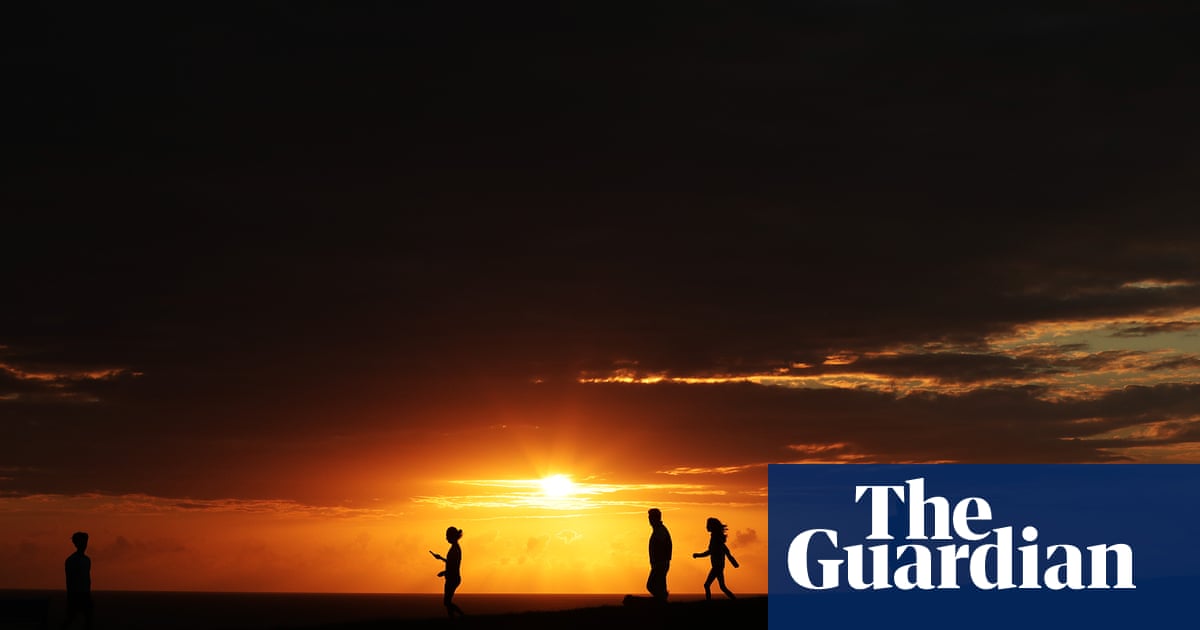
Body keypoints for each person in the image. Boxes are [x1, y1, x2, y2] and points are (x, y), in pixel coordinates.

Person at [692, 517, 739, 600]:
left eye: (707, 525)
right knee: (722, 587)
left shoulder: (715, 539)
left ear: (712, 526)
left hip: (717, 566)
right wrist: (733, 562)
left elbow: (710, 551)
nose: (706, 527)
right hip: (719, 566)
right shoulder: (716, 538)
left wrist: (698, 555)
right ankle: (734, 600)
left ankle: (709, 602)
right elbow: (726, 551)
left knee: (707, 585)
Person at [429, 526, 465, 618]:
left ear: (452, 536)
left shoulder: (455, 549)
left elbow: (453, 565)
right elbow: (451, 563)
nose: (446, 538)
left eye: (447, 536)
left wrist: (444, 572)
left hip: (453, 578)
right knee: (447, 602)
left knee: (447, 602)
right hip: (452, 577)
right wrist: (440, 558)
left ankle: (463, 616)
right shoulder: (455, 548)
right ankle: (453, 618)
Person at [62, 531, 92, 630]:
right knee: (70, 619)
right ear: (76, 543)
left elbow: (87, 579)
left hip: (85, 594)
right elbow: (70, 580)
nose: (84, 545)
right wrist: (71, 596)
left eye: (85, 542)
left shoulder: (87, 560)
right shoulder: (71, 560)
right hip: (75, 594)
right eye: (82, 542)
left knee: (88, 620)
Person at [646, 508, 672, 601]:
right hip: (660, 563)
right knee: (660, 587)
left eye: (650, 517)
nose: (649, 520)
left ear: (656, 518)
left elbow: (663, 547)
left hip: (660, 564)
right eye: (649, 517)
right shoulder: (659, 530)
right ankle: (662, 603)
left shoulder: (660, 531)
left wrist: (658, 562)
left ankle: (661, 601)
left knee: (651, 585)